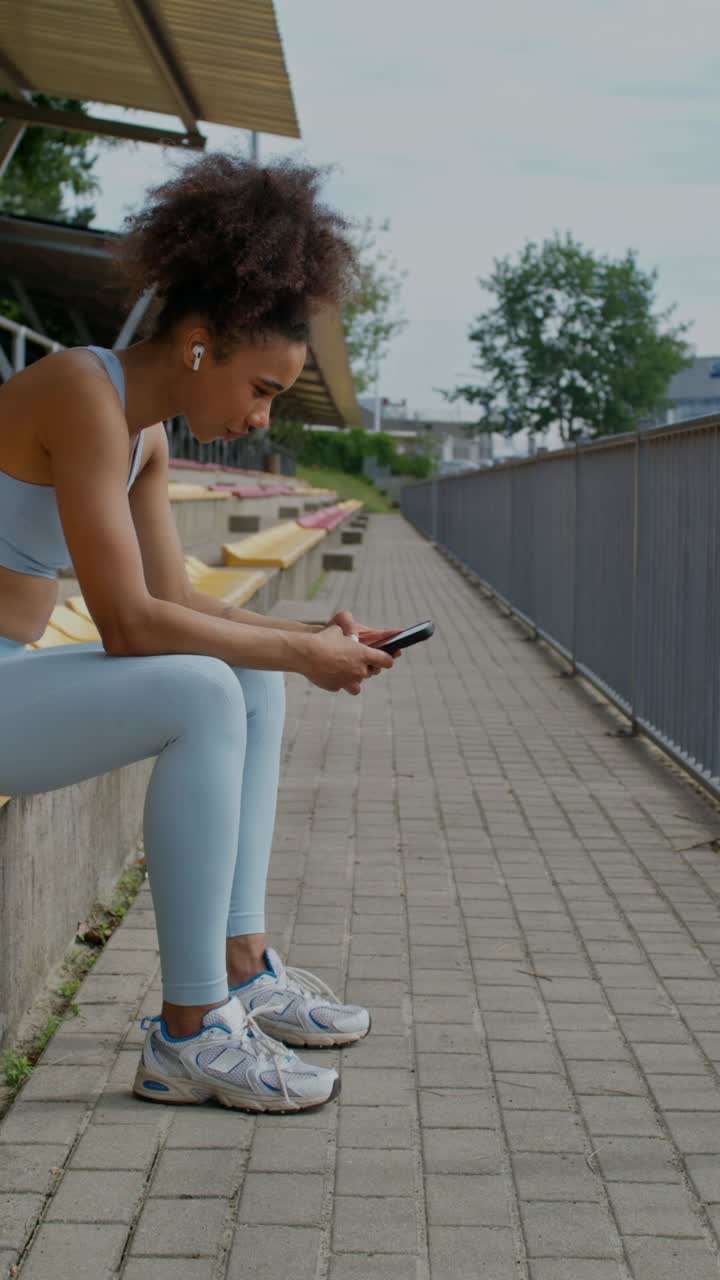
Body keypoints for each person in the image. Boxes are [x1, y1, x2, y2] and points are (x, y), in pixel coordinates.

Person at [0, 155, 398, 1113]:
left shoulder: (145, 437)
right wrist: (303, 654)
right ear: (197, 345)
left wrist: (310, 633)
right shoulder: (74, 391)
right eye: (260, 388)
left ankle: (241, 962)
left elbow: (177, 598)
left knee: (243, 675)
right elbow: (134, 626)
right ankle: (189, 1033)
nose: (260, 416)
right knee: (206, 685)